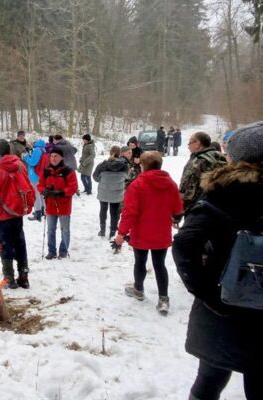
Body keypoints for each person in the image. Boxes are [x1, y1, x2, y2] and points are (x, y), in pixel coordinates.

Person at [172, 121, 263, 400]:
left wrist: (208, 294)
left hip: (224, 306)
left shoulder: (225, 192)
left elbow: (186, 244)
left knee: (209, 379)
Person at [114, 151, 183, 314]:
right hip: (161, 232)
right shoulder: (171, 184)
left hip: (141, 232)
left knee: (140, 262)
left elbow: (130, 211)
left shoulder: (137, 184)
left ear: (143, 165)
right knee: (160, 265)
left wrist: (121, 233)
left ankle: (138, 290)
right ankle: (163, 299)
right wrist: (175, 219)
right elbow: (178, 208)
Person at [0, 139, 31, 289]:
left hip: (0, 215)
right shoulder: (20, 165)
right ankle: (24, 275)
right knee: (19, 242)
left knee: (5, 244)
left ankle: (9, 278)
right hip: (16, 211)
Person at [38, 147, 78, 259]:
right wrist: (43, 190)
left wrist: (61, 192)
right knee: (50, 229)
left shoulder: (68, 171)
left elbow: (73, 187)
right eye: (51, 156)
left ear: (61, 157)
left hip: (64, 205)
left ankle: (63, 251)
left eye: (56, 156)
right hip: (50, 205)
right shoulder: (46, 171)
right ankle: (51, 251)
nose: (53, 158)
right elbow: (40, 185)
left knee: (64, 230)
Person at [179, 131, 227, 214]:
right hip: (221, 208)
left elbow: (188, 191)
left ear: (197, 144)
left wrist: (179, 213)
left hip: (199, 210)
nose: (188, 147)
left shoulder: (197, 162)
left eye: (190, 143)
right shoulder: (221, 156)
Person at [93, 146, 129, 239]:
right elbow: (127, 178)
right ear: (120, 153)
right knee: (114, 213)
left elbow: (95, 177)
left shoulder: (102, 165)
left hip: (103, 192)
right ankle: (112, 233)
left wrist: (103, 179)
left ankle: (102, 230)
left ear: (110, 152)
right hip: (117, 194)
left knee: (103, 210)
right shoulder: (125, 166)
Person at [24, 139, 48, 222]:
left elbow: (33, 162)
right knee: (40, 194)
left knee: (35, 194)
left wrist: (26, 156)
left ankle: (37, 213)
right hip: (40, 175)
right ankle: (42, 211)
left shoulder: (37, 150)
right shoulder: (43, 149)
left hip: (35, 175)